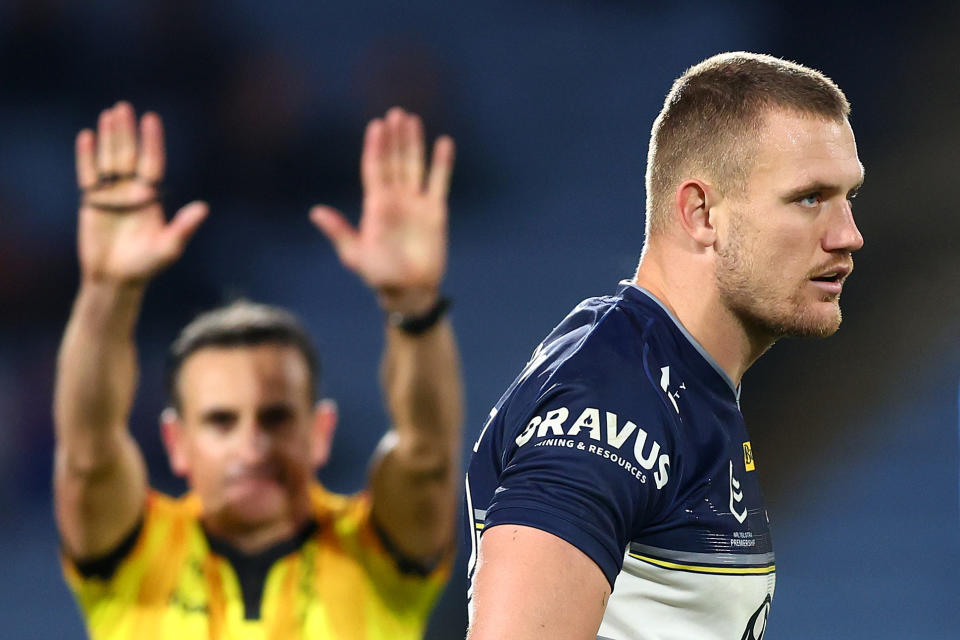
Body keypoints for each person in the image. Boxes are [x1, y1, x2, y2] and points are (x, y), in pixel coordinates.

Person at [464, 51, 864, 639]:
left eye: (848, 197)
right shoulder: (612, 403)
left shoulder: (672, 380)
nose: (848, 235)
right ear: (701, 213)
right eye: (809, 198)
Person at [54, 101, 462, 639]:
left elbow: (428, 455)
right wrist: (108, 290)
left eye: (276, 418)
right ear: (175, 442)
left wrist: (411, 301)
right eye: (222, 422)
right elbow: (87, 455)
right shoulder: (134, 557)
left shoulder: (377, 554)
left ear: (321, 432)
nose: (253, 447)